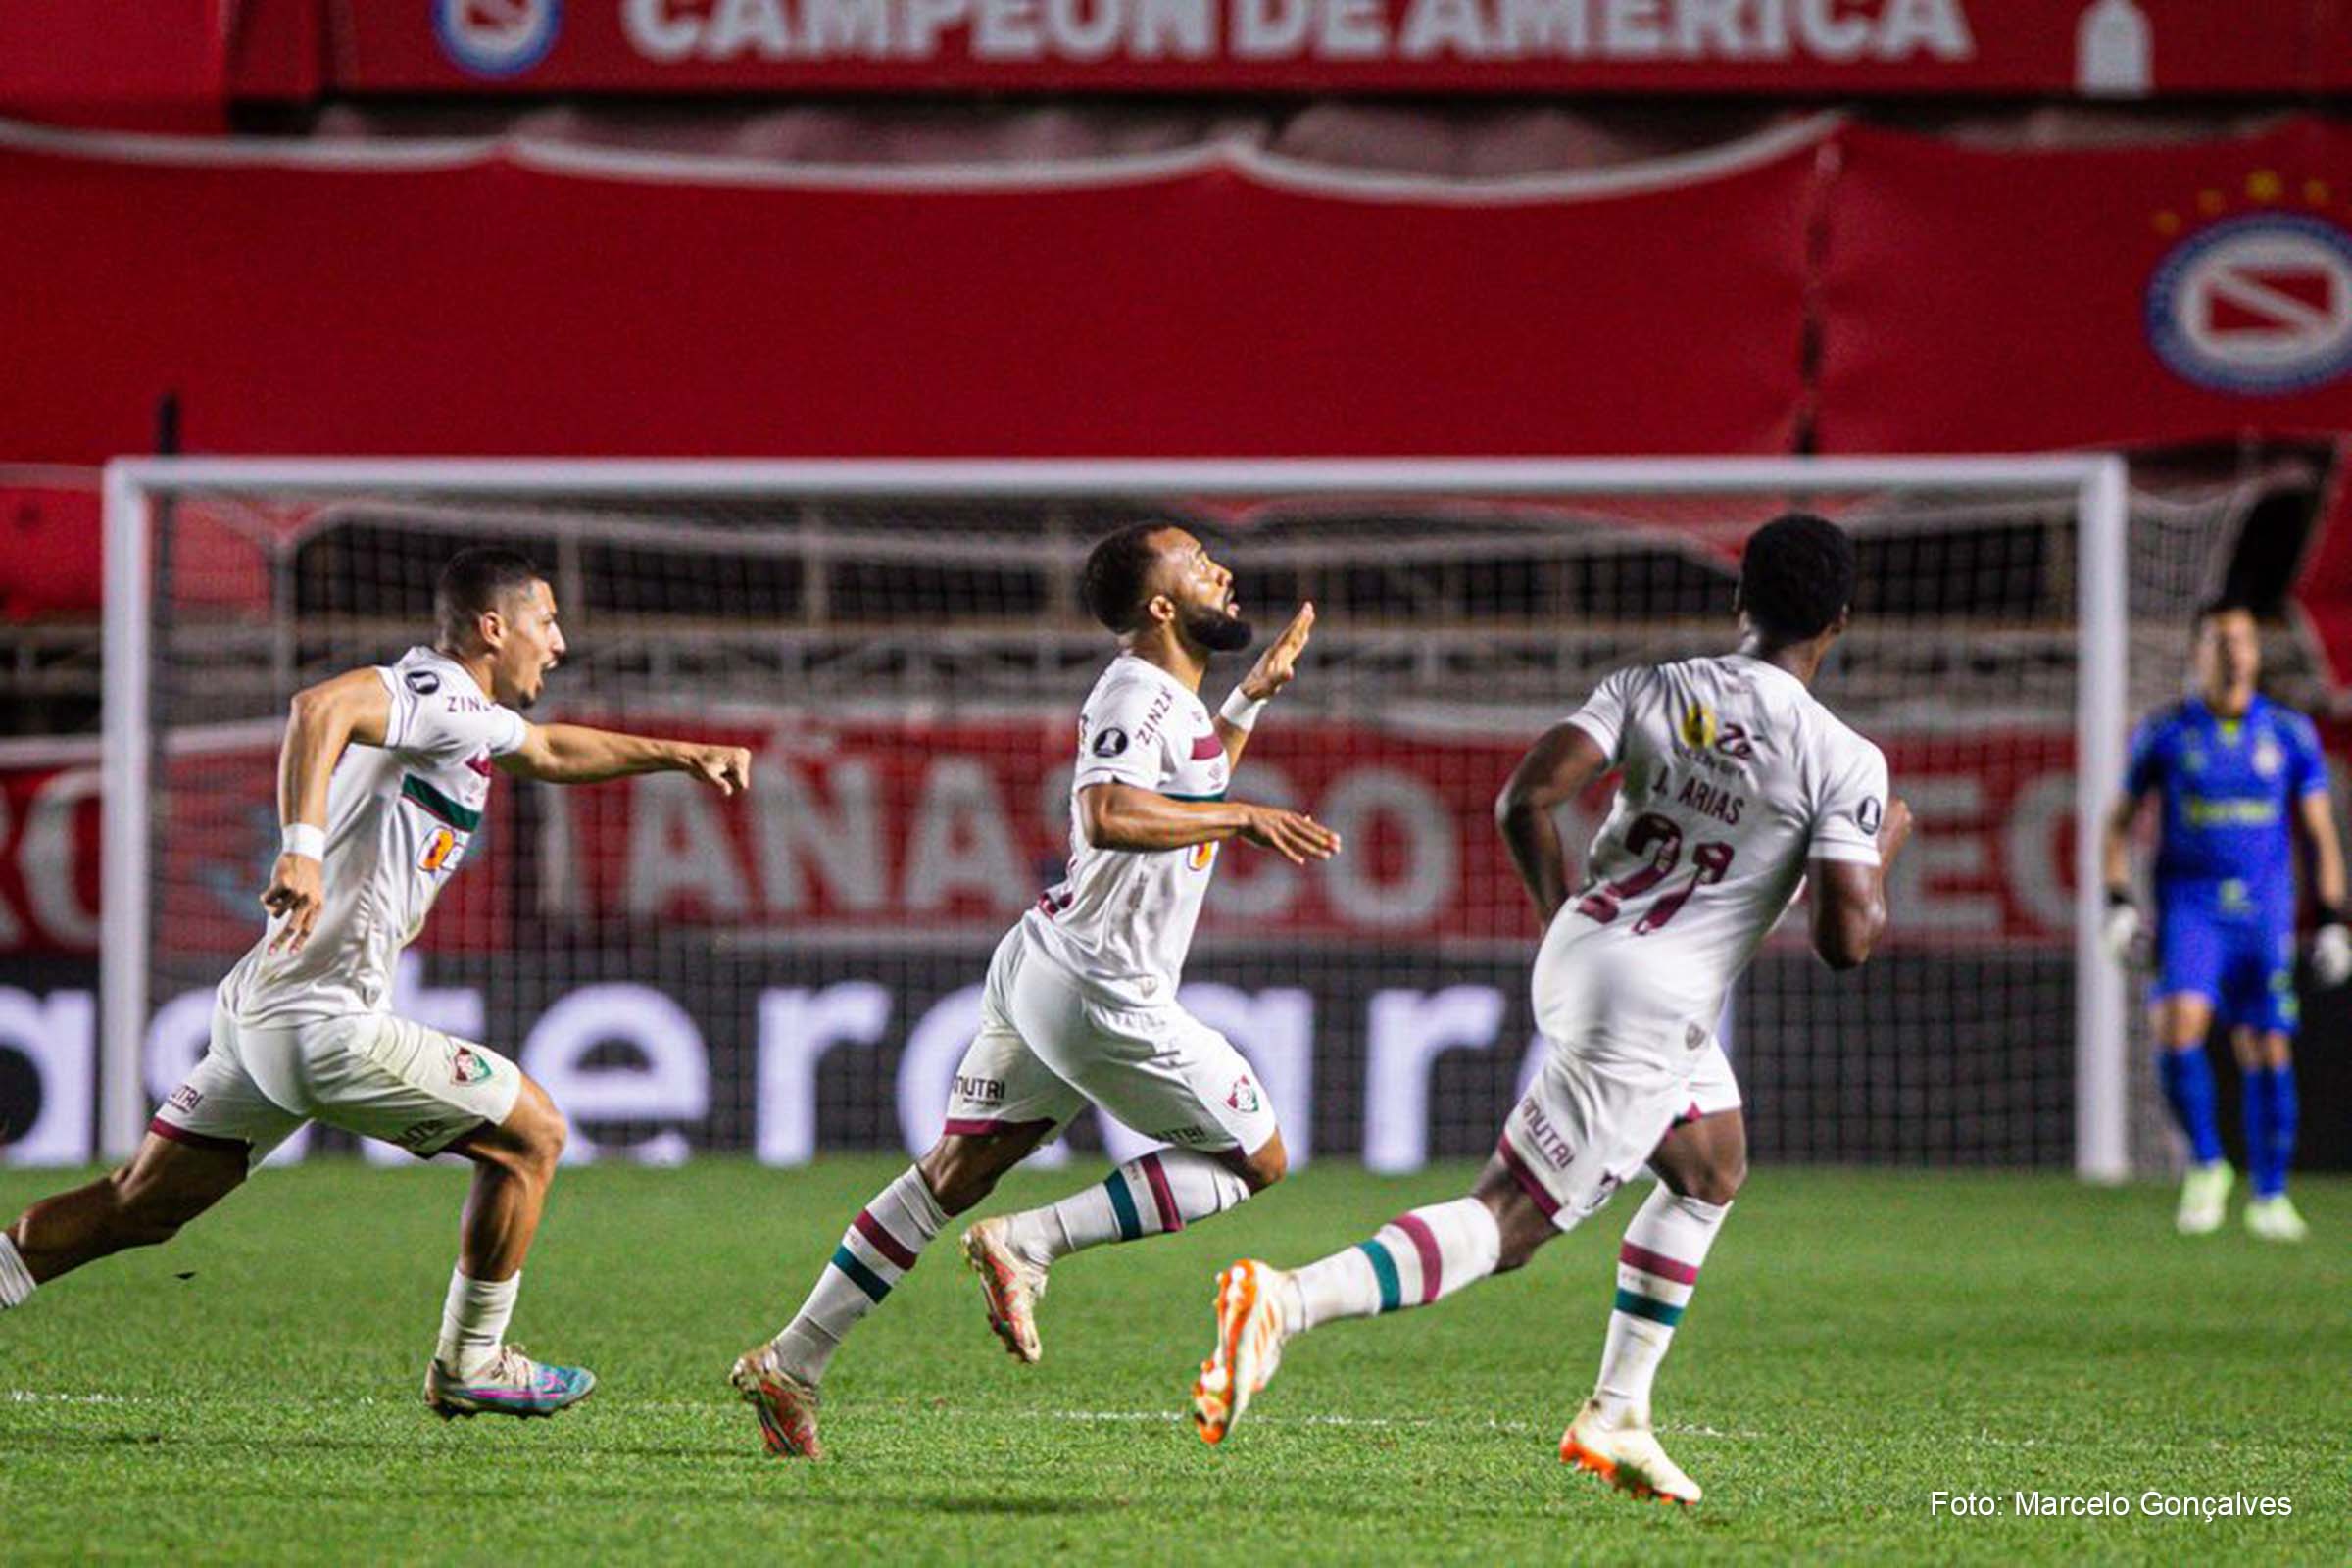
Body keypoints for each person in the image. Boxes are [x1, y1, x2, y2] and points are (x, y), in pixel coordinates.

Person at [1189, 513, 1910, 1508]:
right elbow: (1846, 941)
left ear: (1739, 599)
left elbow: (1523, 800)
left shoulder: (1651, 687)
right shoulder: (1845, 760)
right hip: (1653, 1002)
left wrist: (1561, 919)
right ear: (1840, 618)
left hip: (1585, 943)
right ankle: (1285, 1300)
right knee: (1511, 1223)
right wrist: (1882, 851)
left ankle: (1617, 1414)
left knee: (1710, 1167)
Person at [0, 548, 750, 1417]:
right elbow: (321, 706)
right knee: (532, 1136)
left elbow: (546, 747)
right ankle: (472, 1362)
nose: (561, 643)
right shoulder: (431, 696)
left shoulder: (470, 714)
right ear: (492, 627)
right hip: (322, 1024)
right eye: (546, 622)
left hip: (264, 1015)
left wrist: (681, 752)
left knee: (141, 1206)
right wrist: (301, 850)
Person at [732, 522, 1339, 1458]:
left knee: (951, 1177)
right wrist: (1248, 817)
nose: (1221, 566)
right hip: (1103, 992)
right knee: (1257, 1160)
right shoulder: (1135, 693)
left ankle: (792, 1363)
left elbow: (1181, 784)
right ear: (1162, 606)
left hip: (1044, 965)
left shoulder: (1174, 703)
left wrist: (1248, 704)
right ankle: (1035, 1244)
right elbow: (1109, 812)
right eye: (1195, 561)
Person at [2099, 599, 2349, 1242]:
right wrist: (2118, 903)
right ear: (2198, 652)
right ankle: (2208, 1163)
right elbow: (2117, 824)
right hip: (2191, 906)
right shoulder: (2165, 733)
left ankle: (2270, 1194)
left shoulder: (2289, 734)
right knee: (2177, 1024)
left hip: (2264, 912)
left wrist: (2332, 919)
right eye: (2220, 641)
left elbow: (2319, 833)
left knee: (2266, 1045)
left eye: (2244, 640)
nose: (2235, 652)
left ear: (2257, 654)